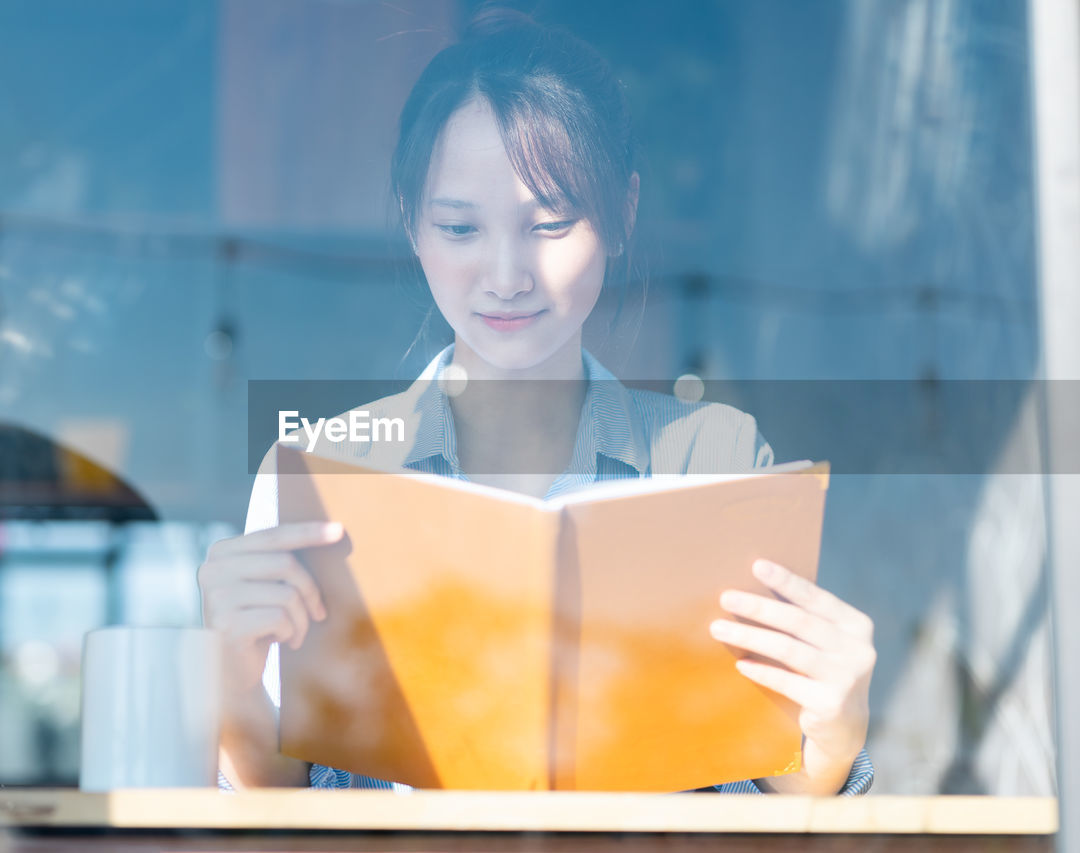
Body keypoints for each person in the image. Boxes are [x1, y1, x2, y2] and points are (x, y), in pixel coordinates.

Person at [198, 7, 876, 795]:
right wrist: (233, 681)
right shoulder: (322, 473)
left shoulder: (711, 461)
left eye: (551, 223)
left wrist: (832, 735)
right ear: (412, 224)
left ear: (623, 212)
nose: (507, 274)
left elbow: (771, 793)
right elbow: (272, 809)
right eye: (459, 228)